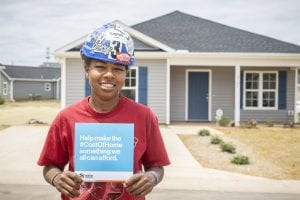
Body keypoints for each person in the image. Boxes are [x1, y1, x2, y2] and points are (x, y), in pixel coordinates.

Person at [37, 23, 170, 200]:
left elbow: (157, 166)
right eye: (100, 67)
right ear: (87, 69)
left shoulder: (144, 116)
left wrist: (151, 178)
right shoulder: (66, 118)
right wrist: (56, 178)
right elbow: (50, 166)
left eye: (118, 69)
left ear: (125, 74)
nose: (109, 74)